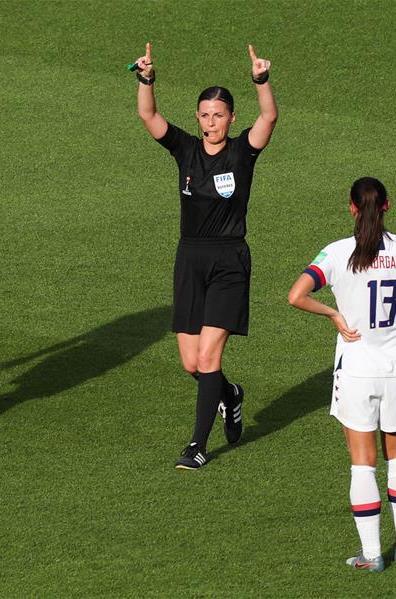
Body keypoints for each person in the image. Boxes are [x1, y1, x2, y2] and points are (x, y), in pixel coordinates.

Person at [288, 177, 396, 571]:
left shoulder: (337, 253)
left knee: (362, 462)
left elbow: (296, 295)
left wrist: (334, 315)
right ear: (387, 205)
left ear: (352, 207)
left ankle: (371, 555)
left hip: (356, 370)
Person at [133, 42, 278, 469]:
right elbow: (148, 116)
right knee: (191, 363)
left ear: (231, 118)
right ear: (197, 118)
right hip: (190, 259)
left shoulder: (242, 152)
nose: (211, 122)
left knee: (209, 357)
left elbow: (268, 117)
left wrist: (261, 80)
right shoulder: (186, 149)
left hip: (229, 261)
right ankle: (229, 393)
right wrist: (146, 79)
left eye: (218, 115)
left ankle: (197, 445)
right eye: (204, 115)